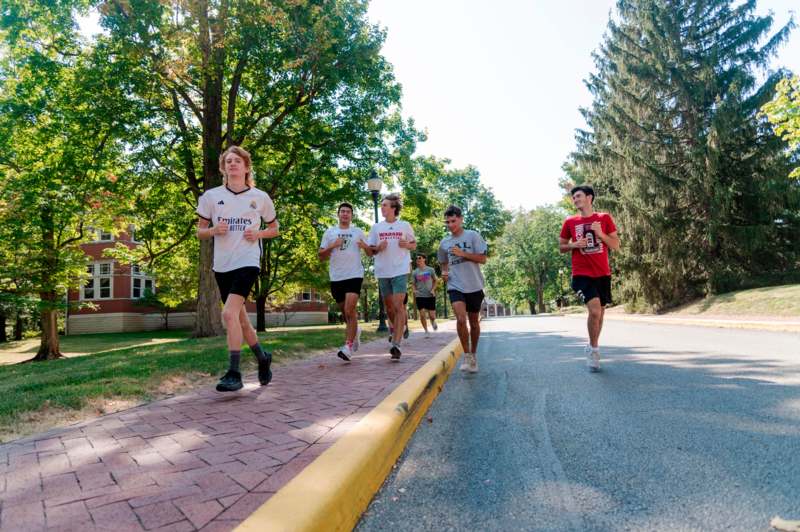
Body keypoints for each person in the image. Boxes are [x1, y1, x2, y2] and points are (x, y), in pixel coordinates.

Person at [196, 146, 279, 392]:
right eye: (228, 161)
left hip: (248, 261)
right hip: (222, 266)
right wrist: (212, 230)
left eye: (237, 161)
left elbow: (274, 229)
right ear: (223, 168)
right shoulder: (211, 197)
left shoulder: (260, 197)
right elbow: (200, 231)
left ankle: (234, 372)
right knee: (241, 320)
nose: (232, 164)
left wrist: (259, 233)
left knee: (229, 314)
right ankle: (263, 358)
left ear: (246, 166)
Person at [558, 184, 620, 372]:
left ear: (589, 198)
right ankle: (594, 350)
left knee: (600, 314)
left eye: (578, 196)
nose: (575, 200)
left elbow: (616, 245)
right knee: (594, 311)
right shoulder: (570, 222)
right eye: (573, 197)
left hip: (602, 273)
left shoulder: (604, 218)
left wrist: (600, 234)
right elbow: (561, 247)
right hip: (581, 274)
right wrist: (574, 245)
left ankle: (593, 345)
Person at [437, 206, 487, 373]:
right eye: (448, 222)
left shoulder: (472, 236)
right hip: (455, 285)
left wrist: (462, 253)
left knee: (473, 322)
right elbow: (443, 262)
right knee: (460, 319)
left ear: (461, 219)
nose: (450, 224)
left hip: (474, 285)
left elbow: (482, 258)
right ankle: (466, 355)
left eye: (453, 221)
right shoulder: (444, 243)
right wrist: (444, 272)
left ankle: (473, 354)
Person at [367, 193, 416, 360]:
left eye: (385, 205)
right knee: (389, 308)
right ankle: (395, 329)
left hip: (400, 270)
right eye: (381, 205)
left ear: (393, 208)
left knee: (398, 305)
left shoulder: (404, 225)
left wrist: (407, 245)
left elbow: (414, 244)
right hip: (383, 271)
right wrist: (378, 248)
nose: (382, 207)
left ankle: (396, 343)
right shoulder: (376, 228)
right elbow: (370, 250)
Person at [319, 202, 369, 362]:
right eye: (342, 211)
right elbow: (321, 256)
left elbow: (370, 253)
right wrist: (332, 245)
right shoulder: (330, 232)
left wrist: (365, 246)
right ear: (338, 214)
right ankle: (356, 331)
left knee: (349, 309)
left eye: (348, 211)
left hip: (354, 275)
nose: (345, 214)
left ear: (352, 215)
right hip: (336, 277)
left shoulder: (358, 232)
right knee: (346, 314)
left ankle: (347, 347)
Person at [412, 254, 438, 337]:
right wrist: (414, 290)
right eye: (416, 258)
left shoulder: (430, 270)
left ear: (424, 259)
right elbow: (413, 283)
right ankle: (426, 331)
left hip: (430, 295)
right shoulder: (415, 272)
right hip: (420, 295)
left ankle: (433, 321)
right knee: (422, 314)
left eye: (419, 258)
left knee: (432, 315)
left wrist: (433, 289)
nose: (418, 259)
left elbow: (435, 280)